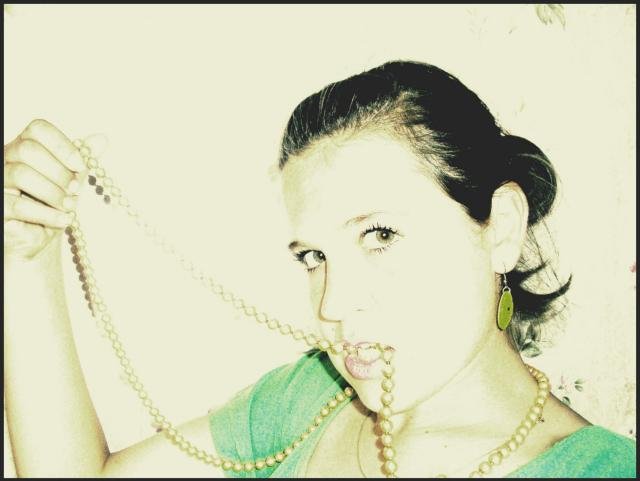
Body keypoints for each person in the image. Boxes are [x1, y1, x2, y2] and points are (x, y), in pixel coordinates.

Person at [4, 60, 635, 478]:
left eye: (380, 235)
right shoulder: (309, 399)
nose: (332, 306)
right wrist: (25, 257)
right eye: (314, 257)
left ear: (501, 228)